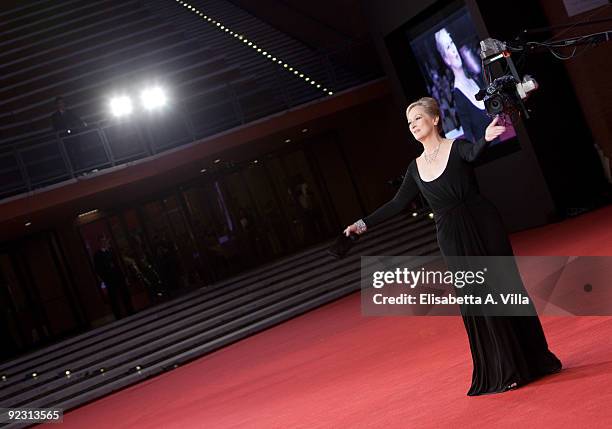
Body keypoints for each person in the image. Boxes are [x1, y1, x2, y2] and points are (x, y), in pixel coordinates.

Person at [344, 97, 561, 396]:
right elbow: (397, 204)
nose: (413, 126)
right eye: (409, 123)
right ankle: (504, 369)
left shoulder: (456, 146)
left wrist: (484, 138)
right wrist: (363, 223)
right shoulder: (415, 167)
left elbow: (473, 153)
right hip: (451, 236)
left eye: (418, 119)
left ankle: (533, 360)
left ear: (434, 120)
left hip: (483, 224)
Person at [434, 28, 492, 144]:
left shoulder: (474, 78)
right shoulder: (458, 96)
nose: (454, 50)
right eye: (448, 47)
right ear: (446, 59)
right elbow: (470, 140)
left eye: (452, 43)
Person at [93, 235, 134, 319]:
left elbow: (117, 264)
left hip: (118, 276)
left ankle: (130, 311)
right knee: (113, 297)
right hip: (109, 279)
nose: (105, 242)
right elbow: (98, 268)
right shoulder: (97, 255)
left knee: (124, 293)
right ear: (99, 243)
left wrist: (123, 275)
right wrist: (105, 278)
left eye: (105, 241)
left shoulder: (111, 251)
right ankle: (118, 315)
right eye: (102, 241)